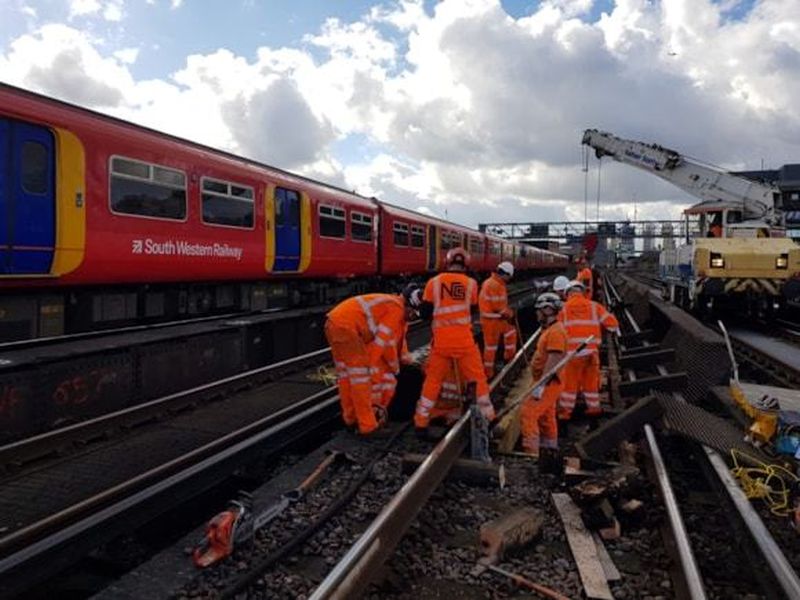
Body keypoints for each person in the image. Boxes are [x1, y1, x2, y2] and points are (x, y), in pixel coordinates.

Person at [414, 247, 495, 431]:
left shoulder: (433, 283)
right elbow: (473, 310)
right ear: (466, 264)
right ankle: (488, 418)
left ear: (447, 262)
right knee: (477, 379)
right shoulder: (472, 284)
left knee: (432, 381)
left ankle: (421, 421)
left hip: (441, 344)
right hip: (465, 343)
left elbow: (425, 314)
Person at [325, 284, 421, 436]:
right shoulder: (396, 309)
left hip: (334, 323)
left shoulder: (391, 304)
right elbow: (381, 342)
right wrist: (371, 365)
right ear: (409, 306)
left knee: (345, 376)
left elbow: (396, 342)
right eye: (414, 314)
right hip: (348, 328)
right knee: (360, 379)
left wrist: (402, 358)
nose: (413, 317)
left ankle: (350, 419)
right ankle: (368, 426)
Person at [557, 280, 619, 420]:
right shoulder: (594, 306)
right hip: (592, 353)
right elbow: (613, 325)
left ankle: (565, 412)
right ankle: (594, 408)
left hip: (572, 355)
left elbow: (556, 331)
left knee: (569, 385)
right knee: (590, 383)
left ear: (568, 293)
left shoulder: (563, 309)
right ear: (582, 292)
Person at [521, 292, 566, 458]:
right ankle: (549, 450)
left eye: (539, 310)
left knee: (528, 412)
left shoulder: (556, 332)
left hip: (549, 382)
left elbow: (554, 360)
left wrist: (541, 385)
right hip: (548, 381)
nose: (536, 313)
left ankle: (531, 455)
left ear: (548, 309)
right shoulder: (551, 329)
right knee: (546, 417)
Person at [479, 261, 517, 378]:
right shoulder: (494, 285)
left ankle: (508, 358)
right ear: (505, 274)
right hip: (491, 321)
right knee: (491, 347)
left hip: (498, 320)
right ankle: (488, 373)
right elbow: (498, 307)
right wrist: (510, 314)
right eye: (509, 277)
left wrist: (507, 312)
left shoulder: (496, 283)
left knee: (510, 332)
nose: (509, 279)